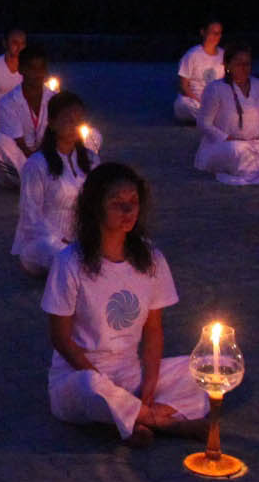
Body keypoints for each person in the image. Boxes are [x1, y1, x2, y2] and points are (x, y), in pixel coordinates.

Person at [42, 162, 209, 448]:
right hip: (79, 377)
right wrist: (103, 383)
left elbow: (154, 329)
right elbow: (60, 338)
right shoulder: (69, 261)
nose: (128, 211)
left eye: (133, 203)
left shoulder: (151, 259)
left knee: (205, 370)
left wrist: (151, 383)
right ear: (96, 207)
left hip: (130, 373)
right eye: (118, 204)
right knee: (92, 389)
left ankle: (132, 417)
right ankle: (163, 420)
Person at [0, 42, 98, 188]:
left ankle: (69, 177)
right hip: (23, 160)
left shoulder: (55, 98)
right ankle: (39, 181)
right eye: (31, 68)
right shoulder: (8, 102)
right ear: (20, 70)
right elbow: (20, 145)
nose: (37, 74)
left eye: (41, 68)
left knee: (93, 135)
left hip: (52, 154)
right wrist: (40, 162)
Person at [12, 91, 98, 277]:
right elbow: (30, 217)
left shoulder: (91, 160)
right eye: (68, 119)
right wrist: (61, 241)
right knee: (66, 258)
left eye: (79, 120)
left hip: (80, 238)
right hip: (42, 242)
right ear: (51, 123)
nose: (74, 125)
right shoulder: (37, 164)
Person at [194, 44, 259, 185]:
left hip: (257, 143)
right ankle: (253, 165)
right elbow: (203, 123)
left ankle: (253, 164)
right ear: (227, 65)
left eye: (247, 64)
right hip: (225, 145)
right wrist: (226, 138)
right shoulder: (215, 88)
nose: (244, 68)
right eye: (239, 64)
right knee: (237, 150)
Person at [172, 20, 225, 124]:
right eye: (213, 33)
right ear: (203, 32)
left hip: (216, 102)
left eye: (218, 33)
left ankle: (213, 119)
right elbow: (183, 86)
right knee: (184, 104)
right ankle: (215, 120)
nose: (216, 36)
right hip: (194, 101)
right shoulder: (192, 55)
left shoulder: (223, 55)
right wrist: (200, 101)